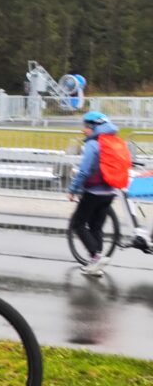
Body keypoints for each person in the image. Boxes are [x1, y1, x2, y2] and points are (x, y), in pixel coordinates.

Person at [68, 111, 125, 276]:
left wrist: (73, 189)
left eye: (86, 127)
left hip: (93, 192)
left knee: (78, 224)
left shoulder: (93, 144)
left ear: (94, 127)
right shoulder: (113, 142)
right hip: (110, 191)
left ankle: (95, 256)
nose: (84, 130)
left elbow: (84, 171)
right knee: (96, 226)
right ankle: (96, 265)